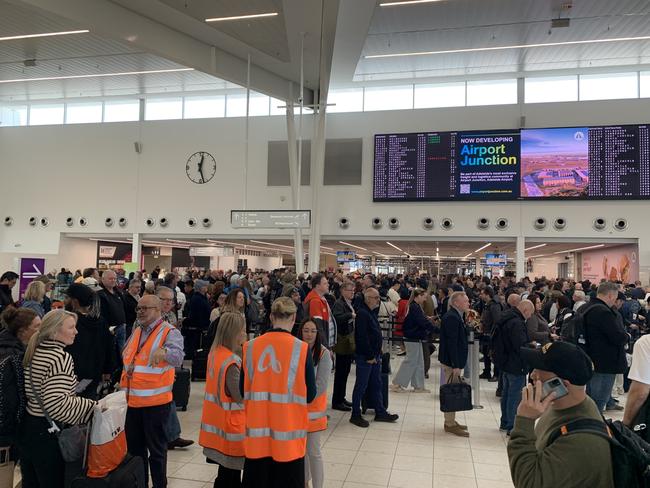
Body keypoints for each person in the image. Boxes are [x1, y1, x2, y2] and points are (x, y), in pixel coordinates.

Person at [508, 341, 614, 487]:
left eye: (540, 370)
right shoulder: (561, 406)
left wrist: (524, 422)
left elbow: (529, 483)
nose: (532, 375)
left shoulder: (581, 442)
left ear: (561, 384)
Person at [239, 297, 316, 488]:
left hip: (257, 439)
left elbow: (242, 390)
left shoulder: (249, 347)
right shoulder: (301, 349)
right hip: (288, 438)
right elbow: (311, 393)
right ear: (294, 318)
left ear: (271, 316)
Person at [18, 310, 96, 488]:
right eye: (71, 327)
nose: (76, 331)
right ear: (54, 332)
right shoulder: (60, 357)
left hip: (29, 426)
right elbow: (56, 405)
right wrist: (92, 406)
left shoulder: (34, 350)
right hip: (48, 432)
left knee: (31, 482)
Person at [120, 294, 185, 488]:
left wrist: (165, 352)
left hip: (156, 405)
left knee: (157, 453)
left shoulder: (168, 332)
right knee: (135, 453)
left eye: (144, 308)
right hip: (132, 404)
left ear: (158, 310)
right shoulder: (137, 331)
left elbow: (178, 357)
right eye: (138, 308)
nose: (139, 312)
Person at [200, 312, 247, 488]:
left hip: (216, 424)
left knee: (225, 475)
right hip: (232, 429)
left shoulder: (215, 353)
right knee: (231, 477)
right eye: (242, 330)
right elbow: (241, 396)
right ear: (233, 333)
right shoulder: (232, 362)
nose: (245, 334)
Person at [350, 288, 399, 428]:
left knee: (376, 384)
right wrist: (370, 355)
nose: (379, 300)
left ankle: (380, 411)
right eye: (376, 297)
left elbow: (374, 333)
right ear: (368, 298)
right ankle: (355, 414)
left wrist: (378, 350)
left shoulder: (371, 312)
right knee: (361, 385)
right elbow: (361, 337)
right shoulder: (362, 314)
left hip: (374, 355)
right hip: (366, 357)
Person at [581, 281, 629, 412]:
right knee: (599, 399)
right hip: (605, 362)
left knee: (590, 397)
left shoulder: (585, 307)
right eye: (615, 297)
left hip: (588, 358)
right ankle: (596, 426)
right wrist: (627, 336)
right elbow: (617, 336)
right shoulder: (604, 312)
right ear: (610, 295)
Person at [296, 319, 332, 488]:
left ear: (318, 334)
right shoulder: (296, 351)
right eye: (306, 330)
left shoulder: (324, 355)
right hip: (297, 412)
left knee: (313, 452)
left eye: (313, 331)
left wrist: (300, 396)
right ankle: (304, 482)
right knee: (301, 452)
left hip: (314, 413)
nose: (309, 335)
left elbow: (321, 386)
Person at [64, 283, 114, 400]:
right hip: (94, 374)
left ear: (75, 302)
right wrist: (107, 370)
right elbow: (109, 347)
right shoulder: (101, 321)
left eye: (67, 298)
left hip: (72, 376)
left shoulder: (69, 323)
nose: (64, 301)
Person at [497, 300, 535, 434]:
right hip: (516, 363)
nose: (530, 317)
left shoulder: (506, 317)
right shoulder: (518, 323)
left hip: (505, 362)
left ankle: (505, 421)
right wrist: (531, 347)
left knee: (506, 393)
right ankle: (512, 426)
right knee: (515, 395)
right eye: (530, 313)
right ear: (525, 310)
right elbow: (519, 345)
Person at [391, 288, 436, 393]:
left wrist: (427, 320)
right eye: (424, 296)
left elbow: (421, 320)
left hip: (415, 337)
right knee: (411, 361)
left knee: (419, 362)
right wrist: (436, 329)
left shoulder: (415, 306)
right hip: (412, 337)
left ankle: (418, 386)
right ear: (418, 296)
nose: (425, 299)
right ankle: (397, 383)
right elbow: (422, 322)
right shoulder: (414, 307)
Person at [439, 291, 470, 437]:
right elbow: (452, 343)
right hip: (452, 363)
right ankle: (449, 423)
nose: (468, 303)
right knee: (452, 392)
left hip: (454, 361)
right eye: (465, 301)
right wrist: (455, 365)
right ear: (456, 303)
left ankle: (451, 420)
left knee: (454, 390)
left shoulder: (457, 315)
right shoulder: (452, 317)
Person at [331, 281, 356, 411]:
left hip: (348, 339)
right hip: (342, 340)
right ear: (343, 291)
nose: (352, 292)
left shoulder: (348, 303)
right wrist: (349, 315)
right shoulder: (339, 304)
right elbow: (336, 318)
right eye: (350, 290)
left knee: (345, 371)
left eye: (353, 290)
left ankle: (342, 397)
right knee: (341, 372)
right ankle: (337, 401)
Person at [97, 269, 128, 351]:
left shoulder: (118, 292)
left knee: (122, 352)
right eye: (110, 278)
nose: (113, 280)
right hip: (110, 329)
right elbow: (100, 314)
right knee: (111, 352)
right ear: (103, 279)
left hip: (122, 327)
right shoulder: (100, 294)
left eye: (115, 278)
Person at [304, 274, 336, 349]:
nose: (328, 285)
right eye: (325, 283)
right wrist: (325, 347)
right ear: (317, 286)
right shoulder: (315, 301)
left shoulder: (321, 299)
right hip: (321, 346)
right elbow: (318, 326)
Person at [479, 286, 502, 380]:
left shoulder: (494, 305)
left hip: (491, 335)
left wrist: (492, 334)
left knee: (493, 354)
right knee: (486, 354)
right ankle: (487, 371)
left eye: (482, 293)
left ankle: (496, 374)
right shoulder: (487, 305)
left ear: (487, 295)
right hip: (486, 333)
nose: (481, 295)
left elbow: (497, 321)